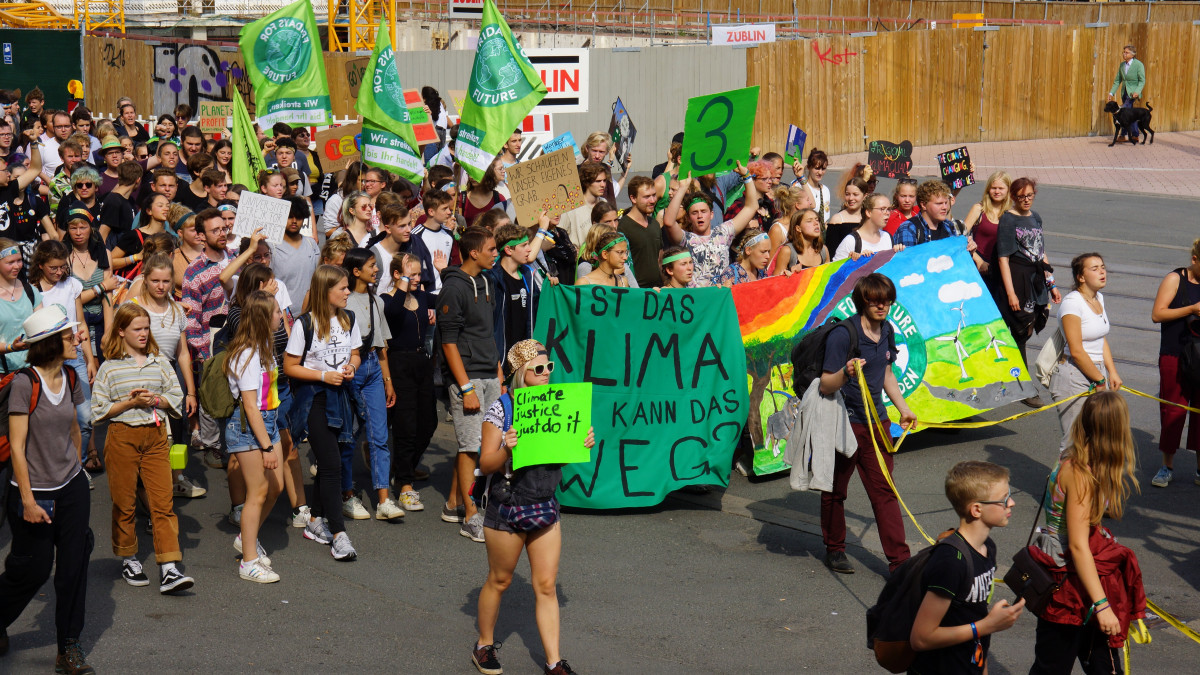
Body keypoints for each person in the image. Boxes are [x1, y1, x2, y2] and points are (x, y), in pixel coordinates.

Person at [472, 339, 595, 675]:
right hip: (508, 505)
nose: (545, 374)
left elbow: (556, 458)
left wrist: (578, 443)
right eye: (538, 369)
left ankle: (554, 661)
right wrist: (508, 449)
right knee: (500, 580)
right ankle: (484, 644)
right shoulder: (502, 408)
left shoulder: (557, 403)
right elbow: (486, 461)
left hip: (544, 505)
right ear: (520, 373)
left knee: (545, 586)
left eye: (549, 367)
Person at [0, 305, 95, 675]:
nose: (78, 337)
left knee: (73, 567)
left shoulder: (71, 377)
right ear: (52, 343)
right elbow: (18, 449)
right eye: (71, 335)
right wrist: (26, 500)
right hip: (34, 492)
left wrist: (80, 464)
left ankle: (68, 647)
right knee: (33, 570)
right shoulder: (25, 383)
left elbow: (73, 425)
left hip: (71, 488)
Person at [1029, 391, 1145, 674]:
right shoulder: (1080, 473)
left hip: (1082, 579)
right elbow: (1078, 546)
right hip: (1068, 585)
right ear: (1116, 431)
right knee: (1051, 668)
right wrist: (1103, 605)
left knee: (1104, 667)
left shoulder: (1084, 461)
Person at [91, 303, 194, 595]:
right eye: (137, 328)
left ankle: (169, 567)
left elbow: (175, 397)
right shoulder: (110, 367)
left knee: (163, 504)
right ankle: (129, 557)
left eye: (146, 328)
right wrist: (129, 403)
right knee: (125, 503)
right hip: (122, 436)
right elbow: (97, 411)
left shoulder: (159, 361)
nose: (143, 334)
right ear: (121, 330)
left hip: (155, 436)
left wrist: (154, 400)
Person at [818, 273, 917, 574]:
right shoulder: (843, 335)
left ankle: (899, 565)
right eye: (874, 300)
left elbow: (886, 375)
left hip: (877, 424)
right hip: (845, 423)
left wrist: (904, 408)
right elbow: (825, 385)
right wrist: (846, 373)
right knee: (836, 489)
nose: (881, 305)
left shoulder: (886, 330)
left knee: (885, 492)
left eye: (886, 300)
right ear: (862, 301)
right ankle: (835, 548)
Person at [909, 461, 1025, 674]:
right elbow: (921, 638)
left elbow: (976, 617)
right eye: (1003, 499)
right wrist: (987, 626)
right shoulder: (951, 561)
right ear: (977, 509)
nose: (1012, 503)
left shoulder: (987, 547)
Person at [282, 265, 362, 561]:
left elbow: (355, 352)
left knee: (333, 461)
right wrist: (323, 377)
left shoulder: (348, 318)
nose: (347, 292)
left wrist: (351, 366)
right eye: (342, 287)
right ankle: (338, 534)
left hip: (340, 397)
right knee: (332, 464)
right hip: (313, 400)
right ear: (325, 291)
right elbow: (289, 366)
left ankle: (315, 520)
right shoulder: (305, 324)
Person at [183, 210, 264, 467]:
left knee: (242, 393)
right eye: (215, 230)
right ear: (201, 236)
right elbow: (192, 319)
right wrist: (203, 355)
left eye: (223, 228)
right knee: (212, 397)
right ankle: (213, 446)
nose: (222, 233)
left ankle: (237, 443)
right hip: (212, 342)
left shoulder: (235, 258)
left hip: (240, 338)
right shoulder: (193, 272)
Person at [437, 227, 502, 542]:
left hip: (490, 373)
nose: (495, 253)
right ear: (474, 253)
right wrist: (465, 388)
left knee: (481, 444)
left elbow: (488, 332)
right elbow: (448, 343)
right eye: (491, 249)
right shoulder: (453, 289)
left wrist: (498, 372)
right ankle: (471, 515)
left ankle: (453, 504)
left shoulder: (488, 281)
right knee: (470, 446)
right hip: (468, 379)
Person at [224, 290, 288, 582]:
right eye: (276, 311)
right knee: (258, 492)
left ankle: (246, 538)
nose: (281, 315)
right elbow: (250, 405)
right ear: (264, 317)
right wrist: (265, 446)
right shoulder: (248, 355)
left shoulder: (264, 346)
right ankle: (248, 560)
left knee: (275, 488)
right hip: (250, 429)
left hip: (268, 422)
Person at [341, 248, 402, 521]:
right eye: (371, 266)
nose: (376, 269)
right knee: (349, 435)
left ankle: (383, 500)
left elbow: (381, 347)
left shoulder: (377, 301)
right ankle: (346, 494)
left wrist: (388, 380)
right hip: (348, 370)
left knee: (379, 435)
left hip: (373, 370)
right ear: (356, 271)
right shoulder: (342, 301)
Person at [29, 240, 97, 474]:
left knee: (85, 417)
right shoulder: (31, 290)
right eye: (53, 268)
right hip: (47, 360)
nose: (59, 272)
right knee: (53, 419)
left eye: (62, 267)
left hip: (74, 355)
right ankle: (62, 466)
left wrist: (89, 359)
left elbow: (81, 323)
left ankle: (79, 465)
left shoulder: (72, 286)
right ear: (40, 265)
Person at [996, 177, 1060, 407]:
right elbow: (1003, 258)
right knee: (1021, 331)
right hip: (1018, 277)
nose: (1026, 200)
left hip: (1036, 279)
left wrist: (1051, 283)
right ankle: (1023, 387)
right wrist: (1011, 293)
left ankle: (1011, 377)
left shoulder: (1035, 217)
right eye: (1021, 196)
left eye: (1030, 195)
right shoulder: (1008, 220)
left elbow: (1041, 251)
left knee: (1027, 329)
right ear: (1013, 197)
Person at [382, 252, 436, 513]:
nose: (417, 278)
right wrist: (403, 283)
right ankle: (404, 484)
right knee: (405, 426)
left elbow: (445, 299)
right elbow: (392, 312)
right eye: (411, 274)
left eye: (418, 274)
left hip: (421, 362)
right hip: (398, 363)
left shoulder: (422, 296)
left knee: (429, 422)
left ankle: (404, 466)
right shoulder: (387, 298)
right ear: (397, 275)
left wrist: (442, 270)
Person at [1050, 253, 1122, 451]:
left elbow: (1100, 338)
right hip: (1074, 374)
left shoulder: (1099, 298)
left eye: (1103, 267)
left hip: (1097, 372)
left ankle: (1085, 482)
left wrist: (1111, 372)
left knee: (1095, 440)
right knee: (1074, 443)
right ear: (1081, 277)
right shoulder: (1072, 303)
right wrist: (1099, 380)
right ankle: (1061, 482)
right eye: (1094, 268)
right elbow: (1077, 350)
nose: (1102, 272)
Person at [1148, 238, 1200, 488]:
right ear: (1194, 260)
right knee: (1173, 410)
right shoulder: (1175, 279)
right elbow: (1158, 314)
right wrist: (1192, 309)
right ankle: (1166, 466)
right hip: (1175, 353)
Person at [662, 168, 759, 287]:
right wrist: (682, 188)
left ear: (711, 214)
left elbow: (751, 207)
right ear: (688, 217)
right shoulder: (686, 239)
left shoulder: (723, 232)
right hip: (697, 299)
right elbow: (669, 222)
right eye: (694, 213)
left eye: (703, 211)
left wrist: (747, 176)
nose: (699, 216)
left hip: (720, 297)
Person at [271, 197, 320, 316]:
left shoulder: (311, 244)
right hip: (283, 317)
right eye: (289, 217)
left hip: (310, 314)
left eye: (298, 217)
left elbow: (319, 278)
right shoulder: (271, 247)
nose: (294, 221)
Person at [0, 239, 41, 373]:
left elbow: (43, 328)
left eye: (19, 260)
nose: (17, 266)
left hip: (31, 370)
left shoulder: (30, 292)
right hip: (3, 374)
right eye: (10, 262)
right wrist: (11, 347)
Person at [963, 172, 1012, 281]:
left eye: (1001, 188)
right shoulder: (978, 209)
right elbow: (961, 236)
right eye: (993, 188)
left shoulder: (1011, 213)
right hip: (977, 266)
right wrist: (978, 260)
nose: (997, 191)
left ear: (1008, 190)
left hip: (1000, 267)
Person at [618, 176, 663, 288]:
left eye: (654, 195)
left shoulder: (655, 224)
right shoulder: (623, 227)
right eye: (647, 197)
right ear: (633, 198)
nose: (652, 200)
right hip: (635, 291)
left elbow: (660, 259)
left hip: (657, 289)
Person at [894, 180, 963, 247]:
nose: (945, 207)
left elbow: (956, 255)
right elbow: (907, 257)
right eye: (939, 204)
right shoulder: (909, 229)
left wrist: (969, 249)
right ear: (924, 205)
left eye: (946, 203)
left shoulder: (948, 226)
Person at [833, 193, 901, 261]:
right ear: (869, 212)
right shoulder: (851, 241)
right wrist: (855, 261)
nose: (887, 213)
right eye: (882, 209)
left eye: (889, 209)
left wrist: (899, 252)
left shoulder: (887, 237)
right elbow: (835, 270)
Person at [1107, 45, 1146, 143]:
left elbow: (1142, 80)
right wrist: (1111, 93)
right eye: (1123, 52)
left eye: (1126, 52)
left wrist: (1137, 91)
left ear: (1133, 55)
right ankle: (1127, 135)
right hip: (1124, 92)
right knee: (1126, 114)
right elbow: (1117, 80)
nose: (1124, 54)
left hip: (1133, 93)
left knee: (1126, 112)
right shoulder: (1122, 65)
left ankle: (1132, 135)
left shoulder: (1138, 65)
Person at [825, 177, 869, 254]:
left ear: (864, 196)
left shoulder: (868, 218)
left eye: (855, 194)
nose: (851, 198)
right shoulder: (837, 219)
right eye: (847, 194)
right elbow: (831, 251)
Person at [796, 149, 830, 225]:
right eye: (817, 168)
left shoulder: (825, 190)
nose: (820, 172)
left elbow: (825, 220)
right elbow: (812, 206)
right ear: (808, 167)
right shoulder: (799, 187)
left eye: (823, 169)